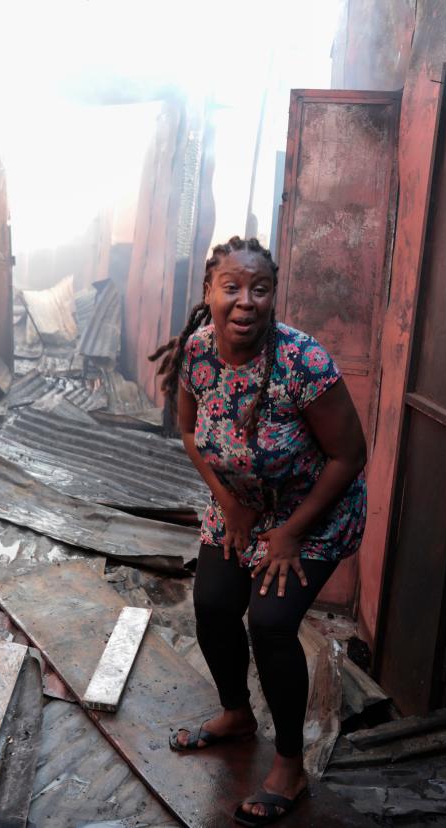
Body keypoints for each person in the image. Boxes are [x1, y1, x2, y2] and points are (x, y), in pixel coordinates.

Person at [148, 236, 367, 825]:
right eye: (233, 287)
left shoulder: (303, 362)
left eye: (261, 288)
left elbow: (350, 455)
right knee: (214, 604)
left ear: (273, 295)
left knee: (269, 623)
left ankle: (290, 766)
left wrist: (291, 532)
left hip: (311, 511)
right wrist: (230, 506)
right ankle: (236, 713)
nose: (247, 301)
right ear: (209, 293)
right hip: (239, 503)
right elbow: (191, 434)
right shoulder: (196, 352)